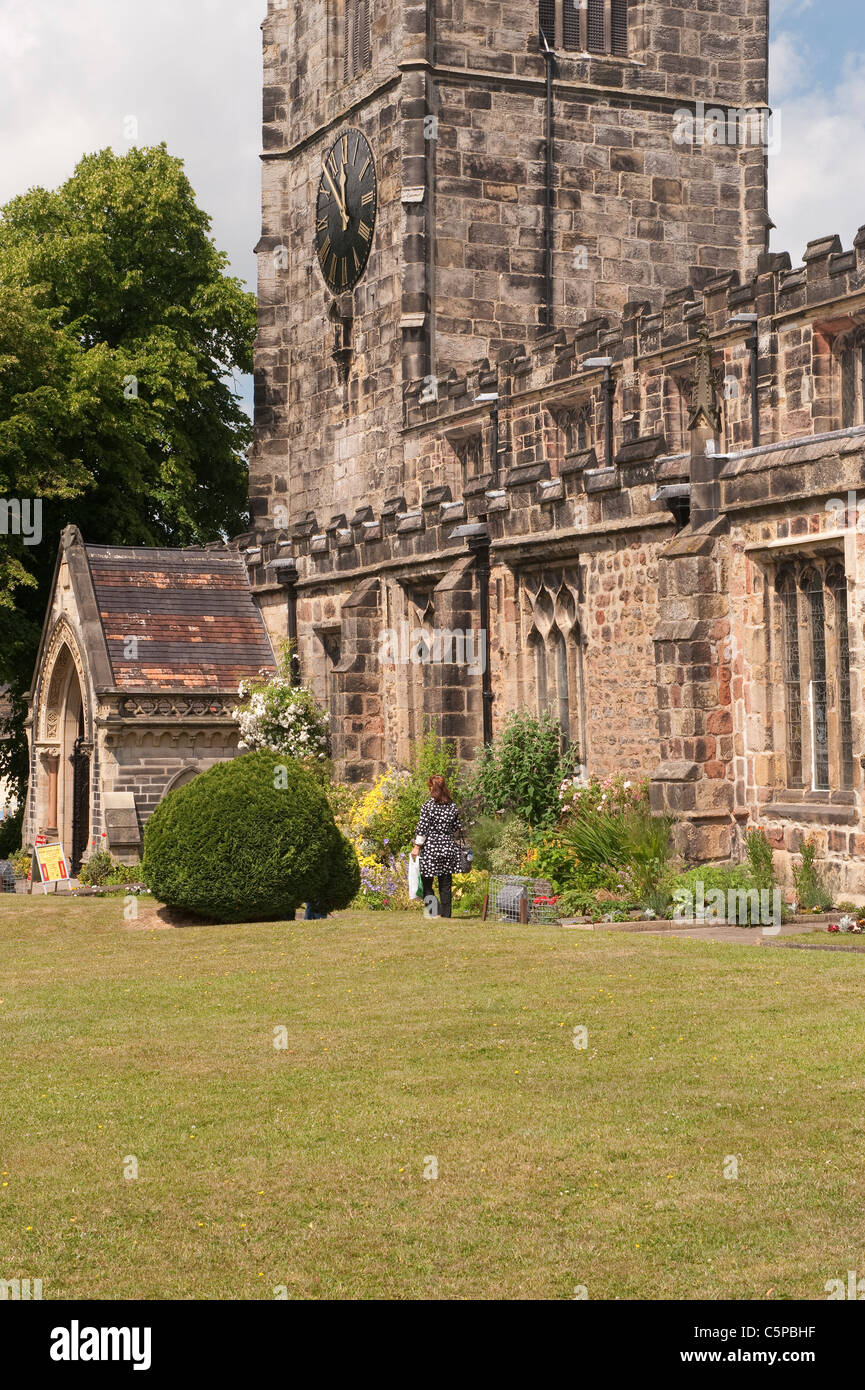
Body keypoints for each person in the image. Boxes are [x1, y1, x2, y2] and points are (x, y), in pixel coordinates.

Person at [411, 775, 463, 919]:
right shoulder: (452, 806)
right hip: (447, 848)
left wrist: (416, 847)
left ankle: (435, 912)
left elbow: (422, 829)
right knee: (445, 885)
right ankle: (446, 915)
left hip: (431, 849)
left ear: (432, 788)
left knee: (427, 883)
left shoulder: (428, 806)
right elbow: (456, 827)